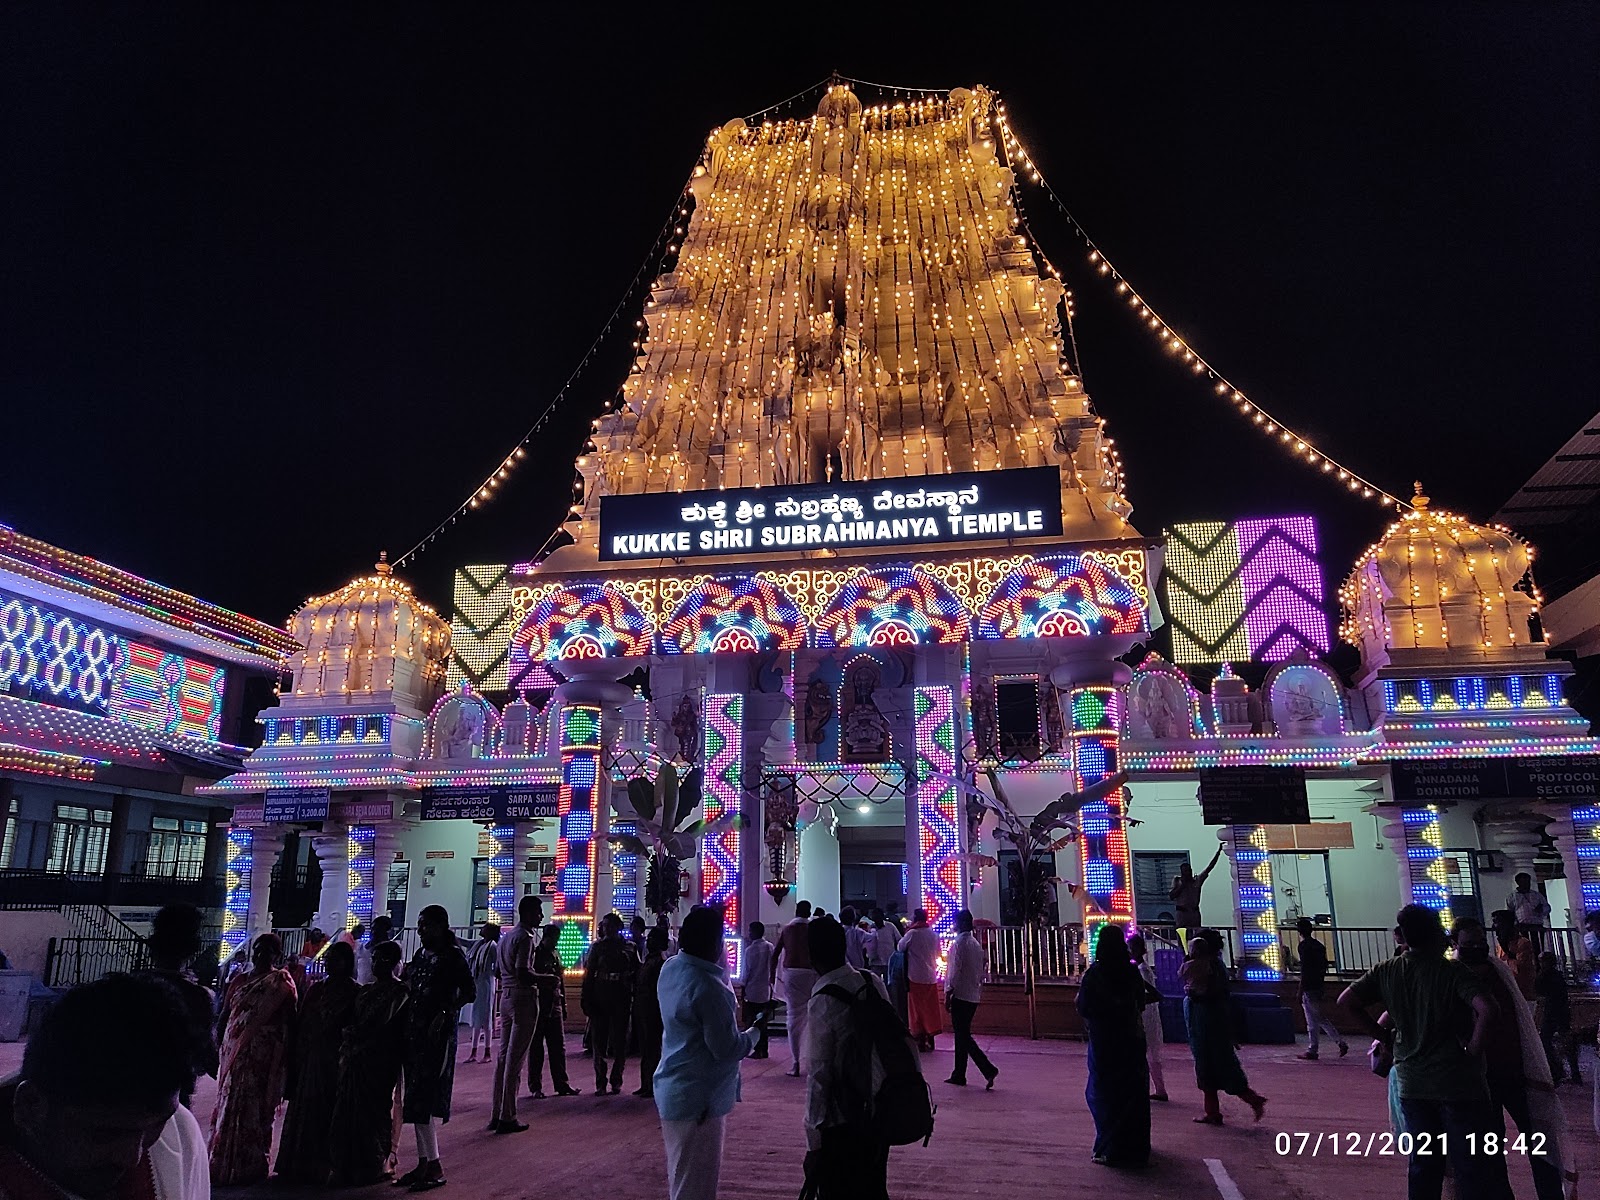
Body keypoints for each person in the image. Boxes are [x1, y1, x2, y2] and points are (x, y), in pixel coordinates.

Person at [1339, 905, 1512, 1200]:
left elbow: (1346, 1002)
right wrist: (1473, 1050)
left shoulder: (1387, 970)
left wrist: (1384, 1037)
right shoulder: (1452, 972)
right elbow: (1488, 1010)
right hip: (1459, 1083)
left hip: (1413, 1083)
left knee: (1424, 1164)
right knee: (1470, 1164)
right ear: (1436, 935)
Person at [0, 974, 209, 1200]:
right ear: (29, 1107)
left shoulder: (178, 1127)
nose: (132, 1157)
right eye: (107, 1133)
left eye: (156, 1126)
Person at [1451, 919, 1569, 1200]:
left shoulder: (1499, 970)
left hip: (1516, 1070)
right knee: (1491, 1147)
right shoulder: (1452, 976)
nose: (1477, 948)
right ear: (1454, 944)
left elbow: (1520, 1015)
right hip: (1480, 1078)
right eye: (1469, 944)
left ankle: (1552, 1195)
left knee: (1541, 1141)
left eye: (1480, 941)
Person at [653, 905, 762, 1200]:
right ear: (714, 942)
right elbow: (725, 1048)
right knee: (696, 1186)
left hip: (674, 1087)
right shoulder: (709, 987)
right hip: (700, 1096)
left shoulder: (671, 969)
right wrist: (753, 1035)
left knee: (682, 1175)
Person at [804, 915, 894, 1200]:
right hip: (879, 1106)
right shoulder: (873, 982)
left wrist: (813, 1139)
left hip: (842, 1118)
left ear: (811, 954)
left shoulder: (823, 999)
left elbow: (819, 1074)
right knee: (874, 1187)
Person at [208, 932, 296, 1185]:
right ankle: (222, 1162)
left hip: (264, 1057)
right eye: (257, 950)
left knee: (256, 1109)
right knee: (229, 1104)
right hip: (234, 1053)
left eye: (267, 951)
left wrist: (285, 1061)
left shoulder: (281, 983)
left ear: (276, 956)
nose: (260, 955)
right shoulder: (239, 981)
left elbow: (289, 1022)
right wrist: (220, 1048)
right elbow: (226, 1014)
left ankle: (251, 1165)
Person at [397, 905, 474, 1191]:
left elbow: (469, 992)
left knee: (425, 1099)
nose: (421, 932)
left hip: (437, 1039)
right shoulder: (420, 957)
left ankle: (435, 1164)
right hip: (414, 1036)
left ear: (441, 926)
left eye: (426, 926)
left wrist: (445, 1013)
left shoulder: (453, 957)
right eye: (420, 926)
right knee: (415, 1099)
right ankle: (423, 1162)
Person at [275, 940, 361, 1184]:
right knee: (306, 1109)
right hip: (312, 1057)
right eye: (329, 957)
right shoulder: (316, 990)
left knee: (330, 1111)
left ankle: (327, 1165)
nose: (330, 962)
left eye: (336, 958)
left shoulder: (354, 992)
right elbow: (302, 1022)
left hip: (336, 1059)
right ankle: (298, 1164)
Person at [329, 940, 409, 1186]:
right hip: (356, 1058)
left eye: (385, 960)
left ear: (397, 965)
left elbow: (378, 1022)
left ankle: (377, 1164)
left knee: (374, 1113)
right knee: (347, 1111)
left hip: (380, 1060)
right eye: (375, 959)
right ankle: (347, 1165)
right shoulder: (365, 991)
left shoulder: (400, 991)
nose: (377, 964)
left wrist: (353, 1035)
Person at [1076, 924, 1157, 1167]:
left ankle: (1109, 1147)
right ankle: (1136, 1146)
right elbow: (1141, 1002)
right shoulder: (1131, 973)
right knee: (1132, 1093)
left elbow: (1084, 1007)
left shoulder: (1095, 974)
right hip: (1131, 1037)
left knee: (1105, 1093)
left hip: (1105, 1040)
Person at [133, 903, 219, 1109]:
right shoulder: (196, 996)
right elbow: (205, 1055)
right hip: (170, 1097)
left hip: (126, 1089)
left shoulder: (127, 987)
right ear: (192, 948)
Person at [1180, 930, 1266, 1126]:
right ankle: (1213, 1112)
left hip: (1208, 1023)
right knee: (1209, 1067)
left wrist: (1195, 995)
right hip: (1206, 1023)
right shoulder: (1212, 965)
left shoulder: (1209, 966)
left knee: (1218, 1066)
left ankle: (1250, 1099)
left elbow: (1211, 993)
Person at [489, 899, 541, 1133]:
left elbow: (500, 971)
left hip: (507, 997)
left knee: (503, 1058)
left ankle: (497, 1112)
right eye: (538, 912)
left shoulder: (506, 937)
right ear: (528, 913)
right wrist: (545, 979)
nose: (541, 916)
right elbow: (524, 972)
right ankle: (508, 1115)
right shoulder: (526, 938)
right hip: (523, 998)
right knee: (515, 1059)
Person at [581, 913, 636, 1096]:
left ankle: (616, 1079)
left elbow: (636, 970)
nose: (606, 929)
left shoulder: (629, 947)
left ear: (618, 927)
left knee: (620, 1040)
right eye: (604, 926)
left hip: (621, 995)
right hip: (601, 995)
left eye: (610, 926)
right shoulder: (597, 948)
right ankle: (600, 1081)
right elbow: (589, 974)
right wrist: (586, 997)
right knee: (599, 1040)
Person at [944, 910, 998, 1090]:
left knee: (962, 1035)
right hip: (973, 994)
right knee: (962, 1035)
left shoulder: (959, 944)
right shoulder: (975, 944)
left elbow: (954, 971)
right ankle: (959, 1073)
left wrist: (948, 992)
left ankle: (987, 1068)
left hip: (960, 994)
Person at [528, 923, 579, 1098]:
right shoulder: (535, 954)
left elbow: (560, 980)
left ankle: (562, 1084)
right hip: (540, 1004)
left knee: (558, 1046)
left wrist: (563, 1005)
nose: (556, 942)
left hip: (555, 1003)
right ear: (546, 937)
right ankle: (536, 1087)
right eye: (555, 939)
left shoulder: (555, 953)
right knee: (537, 1048)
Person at [772, 900, 817, 1077]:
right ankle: (813, 1058)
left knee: (793, 1017)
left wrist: (771, 976)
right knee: (813, 1015)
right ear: (809, 912)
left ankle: (796, 1062)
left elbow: (775, 954)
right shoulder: (814, 929)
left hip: (791, 973)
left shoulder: (787, 929)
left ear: (796, 911)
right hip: (811, 972)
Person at [1293, 918, 1348, 1060]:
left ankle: (1336, 1042)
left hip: (1309, 987)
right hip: (1318, 985)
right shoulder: (1319, 946)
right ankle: (1314, 1048)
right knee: (1315, 1018)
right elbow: (1322, 966)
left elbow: (1305, 970)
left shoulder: (1304, 947)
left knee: (1315, 1019)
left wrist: (1300, 989)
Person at [1126, 933, 1167, 1102]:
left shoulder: (1141, 971)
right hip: (1149, 1012)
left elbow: (1147, 992)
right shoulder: (1143, 968)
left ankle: (1156, 1088)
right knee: (1150, 1053)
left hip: (1146, 1014)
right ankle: (1159, 1088)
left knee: (1146, 1051)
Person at [897, 908, 942, 1052]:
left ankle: (920, 1038)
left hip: (915, 976)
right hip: (931, 976)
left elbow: (900, 947)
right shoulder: (933, 934)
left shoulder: (912, 934)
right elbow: (938, 953)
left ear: (916, 918)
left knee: (916, 1009)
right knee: (930, 1009)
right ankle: (931, 1036)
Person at [1534, 951, 1581, 1085]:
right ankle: (1569, 1071)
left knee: (1549, 1040)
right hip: (1560, 1011)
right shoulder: (1557, 976)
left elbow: (1539, 989)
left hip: (1553, 1012)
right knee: (1564, 1041)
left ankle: (1558, 1070)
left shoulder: (1547, 976)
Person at [635, 927, 670, 1098]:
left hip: (653, 1008)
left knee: (653, 1047)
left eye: (651, 939)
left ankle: (652, 1084)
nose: (648, 942)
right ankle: (645, 1083)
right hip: (644, 1006)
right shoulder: (649, 959)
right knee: (646, 1047)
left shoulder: (660, 962)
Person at [736, 921, 775, 1059]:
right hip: (766, 989)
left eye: (750, 931)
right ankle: (764, 1049)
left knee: (752, 1021)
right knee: (763, 1020)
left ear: (755, 932)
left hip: (752, 990)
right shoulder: (770, 947)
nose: (749, 934)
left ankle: (756, 1049)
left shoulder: (750, 951)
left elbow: (746, 972)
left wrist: (743, 986)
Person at [1169, 846, 1223, 944]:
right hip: (1182, 912)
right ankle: (1184, 953)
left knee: (1197, 935)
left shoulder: (1197, 881)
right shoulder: (1177, 881)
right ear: (1181, 872)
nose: (1188, 873)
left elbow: (1209, 868)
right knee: (1181, 936)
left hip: (1194, 912)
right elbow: (1171, 896)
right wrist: (1182, 886)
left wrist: (1218, 852)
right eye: (1185, 871)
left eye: (1189, 870)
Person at [464, 922, 501, 1064]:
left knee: (485, 1018)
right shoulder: (478, 944)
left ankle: (487, 1052)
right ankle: (474, 1052)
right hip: (478, 983)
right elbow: (465, 942)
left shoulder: (492, 946)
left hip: (486, 983)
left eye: (484, 928)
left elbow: (497, 965)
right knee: (476, 1017)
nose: (481, 929)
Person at [1490, 909, 1536, 1001]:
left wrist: (1507, 952)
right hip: (1509, 993)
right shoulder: (1500, 945)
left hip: (1523, 994)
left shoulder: (1523, 943)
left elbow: (1520, 969)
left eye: (1497, 922)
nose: (1494, 927)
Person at [1505, 873, 1550, 943]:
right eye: (1524, 882)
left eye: (1528, 881)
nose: (1527, 884)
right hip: (1521, 927)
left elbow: (1547, 907)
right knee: (1524, 948)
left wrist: (1542, 909)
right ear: (1518, 882)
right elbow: (1510, 912)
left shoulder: (1537, 895)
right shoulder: (1512, 896)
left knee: (1538, 947)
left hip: (1536, 925)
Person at [356, 915, 396, 986]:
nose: (373, 933)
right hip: (361, 989)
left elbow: (396, 971)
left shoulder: (392, 950)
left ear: (386, 932)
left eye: (378, 930)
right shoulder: (361, 947)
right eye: (372, 929)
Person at [840, 905, 870, 970]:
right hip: (857, 965)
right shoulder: (858, 932)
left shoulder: (838, 931)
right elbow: (871, 938)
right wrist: (873, 930)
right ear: (854, 918)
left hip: (842, 966)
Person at [867, 910, 896, 976]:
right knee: (876, 983)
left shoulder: (890, 926)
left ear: (882, 917)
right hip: (874, 962)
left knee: (889, 984)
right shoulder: (869, 928)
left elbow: (899, 940)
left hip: (888, 961)